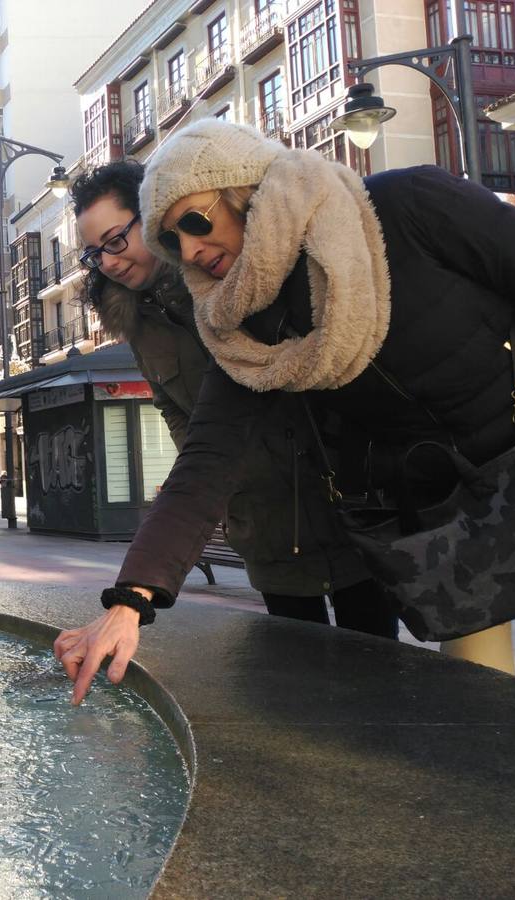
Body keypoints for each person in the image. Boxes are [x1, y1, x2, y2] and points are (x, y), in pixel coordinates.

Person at [56, 119, 515, 705]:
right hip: (453, 508)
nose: (188, 250)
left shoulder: (407, 203)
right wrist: (130, 601)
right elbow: (207, 456)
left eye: (195, 221)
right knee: (484, 704)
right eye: (171, 240)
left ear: (245, 189)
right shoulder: (245, 328)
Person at [71, 159, 392, 635]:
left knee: (374, 652)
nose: (110, 262)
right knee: (295, 658)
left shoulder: (232, 272)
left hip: (343, 504)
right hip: (262, 524)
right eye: (96, 254)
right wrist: (225, 494)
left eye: (115, 240)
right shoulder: (137, 326)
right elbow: (175, 411)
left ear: (152, 216)